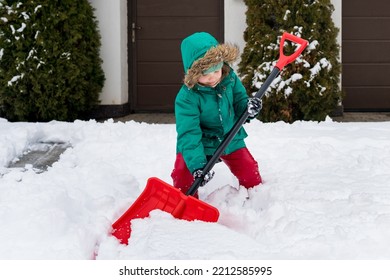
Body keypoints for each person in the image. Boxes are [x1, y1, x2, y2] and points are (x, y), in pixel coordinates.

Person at [171, 32, 262, 198]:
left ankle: (256, 199)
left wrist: (249, 108)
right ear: (193, 73)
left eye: (216, 70)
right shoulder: (186, 98)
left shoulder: (230, 79)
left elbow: (240, 102)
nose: (212, 77)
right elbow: (189, 134)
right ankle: (186, 202)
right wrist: (198, 166)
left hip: (230, 134)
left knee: (250, 172)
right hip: (201, 141)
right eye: (205, 74)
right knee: (182, 176)